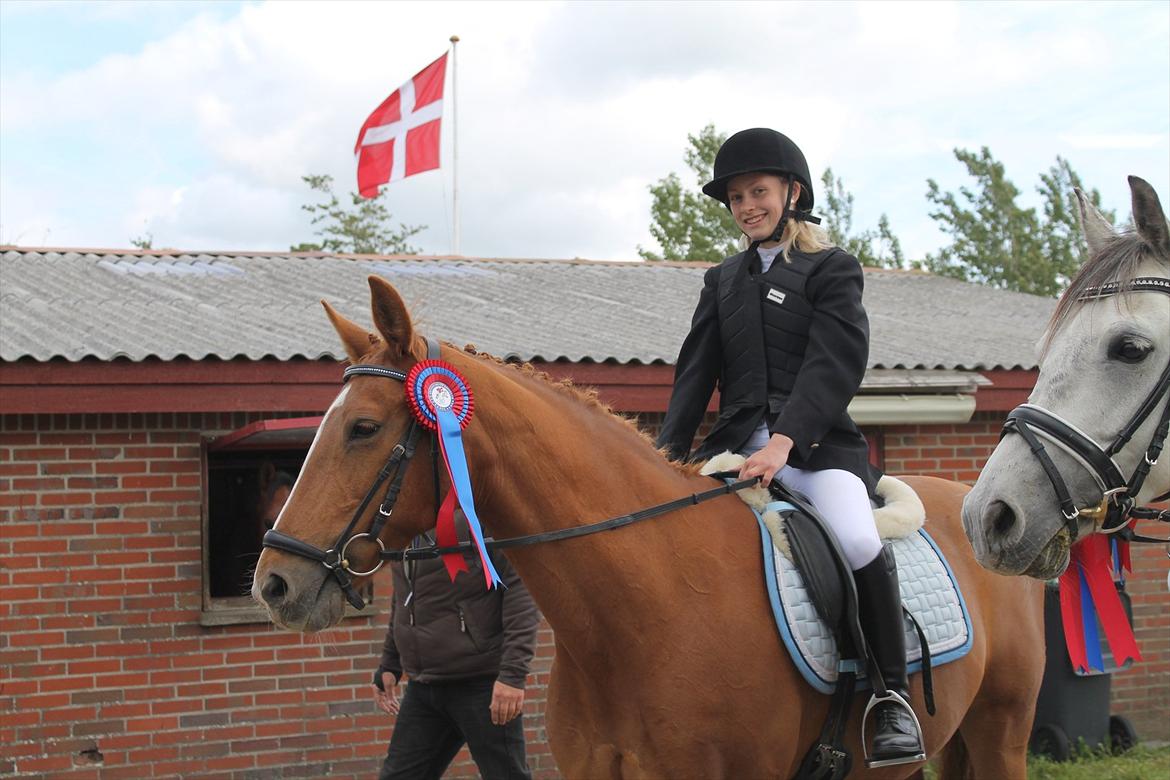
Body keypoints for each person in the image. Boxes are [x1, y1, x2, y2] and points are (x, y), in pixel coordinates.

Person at [655, 127, 924, 767]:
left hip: (815, 452)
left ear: (791, 193)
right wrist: (663, 454)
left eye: (758, 192)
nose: (747, 206)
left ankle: (890, 696)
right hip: (730, 453)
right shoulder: (721, 281)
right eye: (737, 198)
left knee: (858, 540)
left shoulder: (832, 270)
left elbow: (835, 364)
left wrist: (782, 443)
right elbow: (695, 373)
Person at [372, 513, 540, 780]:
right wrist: (389, 664)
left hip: (482, 687)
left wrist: (512, 676)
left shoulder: (478, 518)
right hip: (424, 689)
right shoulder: (405, 528)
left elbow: (520, 591)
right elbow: (404, 599)